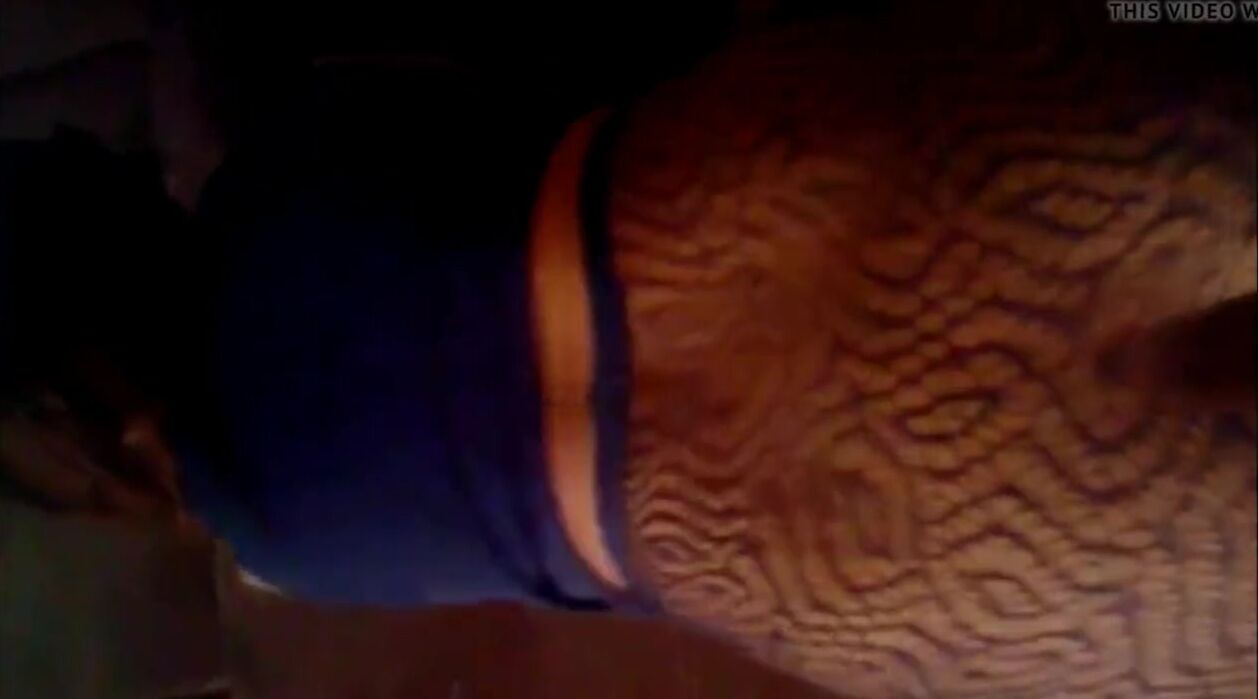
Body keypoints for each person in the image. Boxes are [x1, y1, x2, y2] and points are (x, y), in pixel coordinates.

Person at [3, 2, 1254, 695]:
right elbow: (497, 100)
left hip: (796, 546)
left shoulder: (276, 547)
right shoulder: (266, 182)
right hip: (760, 201)